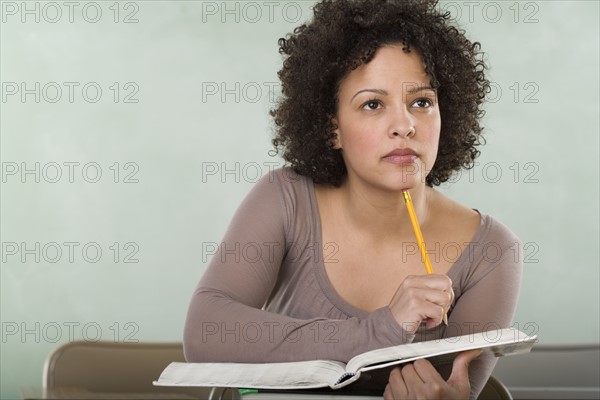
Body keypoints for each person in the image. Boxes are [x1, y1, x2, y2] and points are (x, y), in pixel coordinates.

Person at [183, 0, 523, 399]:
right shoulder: (284, 198)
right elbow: (206, 330)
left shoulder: (493, 252)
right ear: (333, 129)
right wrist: (380, 329)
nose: (405, 125)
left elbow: (461, 388)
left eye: (422, 102)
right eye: (373, 104)